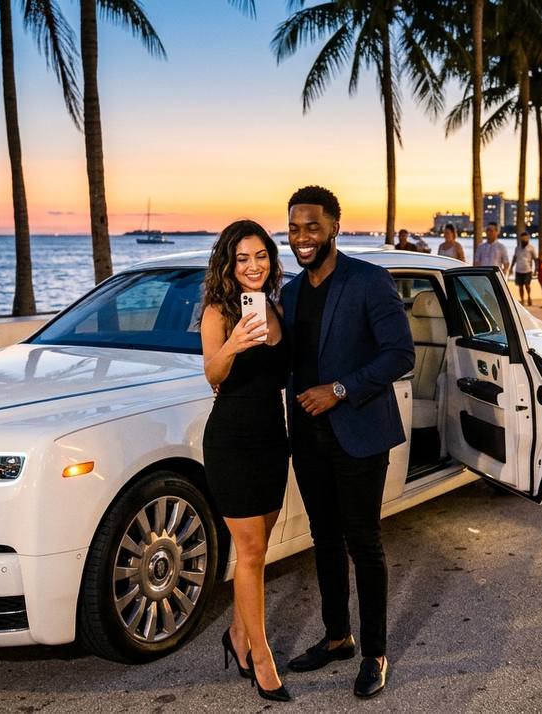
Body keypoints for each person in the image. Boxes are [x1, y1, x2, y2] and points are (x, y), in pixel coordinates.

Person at [281, 186, 414, 699]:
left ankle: (375, 653)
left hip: (358, 433)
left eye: (311, 226)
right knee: (324, 539)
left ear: (334, 225)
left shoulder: (368, 281)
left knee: (364, 542)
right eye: (294, 228)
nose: (301, 237)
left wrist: (339, 390)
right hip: (308, 438)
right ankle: (337, 637)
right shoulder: (290, 294)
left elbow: (400, 354)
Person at [200, 220, 291, 702]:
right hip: (232, 439)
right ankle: (261, 656)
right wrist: (235, 342)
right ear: (229, 265)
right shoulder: (218, 311)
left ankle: (236, 636)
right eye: (242, 259)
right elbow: (211, 373)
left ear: (271, 260)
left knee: (258, 549)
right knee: (251, 552)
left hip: (273, 439)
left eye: (260, 256)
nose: (252, 266)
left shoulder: (276, 306)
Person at [512, 232, 537, 306]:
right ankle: (522, 300)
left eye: (526, 238)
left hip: (527, 270)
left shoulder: (531, 248)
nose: (524, 240)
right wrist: (511, 267)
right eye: (523, 238)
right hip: (518, 270)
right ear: (520, 239)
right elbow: (514, 258)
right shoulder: (517, 248)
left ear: (528, 239)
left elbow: (535, 259)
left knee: (527, 285)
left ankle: (529, 297)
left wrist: (536, 269)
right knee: (520, 286)